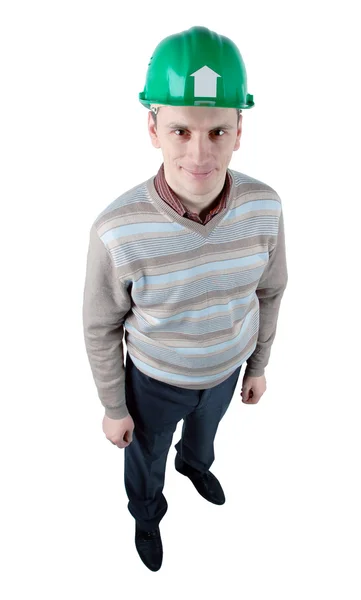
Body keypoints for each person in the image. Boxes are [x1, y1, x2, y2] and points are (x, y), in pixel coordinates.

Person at [82, 25, 288, 572]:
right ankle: (147, 512)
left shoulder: (265, 207)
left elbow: (271, 289)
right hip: (153, 384)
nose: (199, 153)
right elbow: (101, 325)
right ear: (152, 127)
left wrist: (258, 366)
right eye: (180, 131)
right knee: (144, 456)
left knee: (207, 431)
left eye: (218, 131)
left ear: (240, 128)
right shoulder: (117, 229)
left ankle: (195, 464)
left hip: (225, 371)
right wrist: (112, 406)